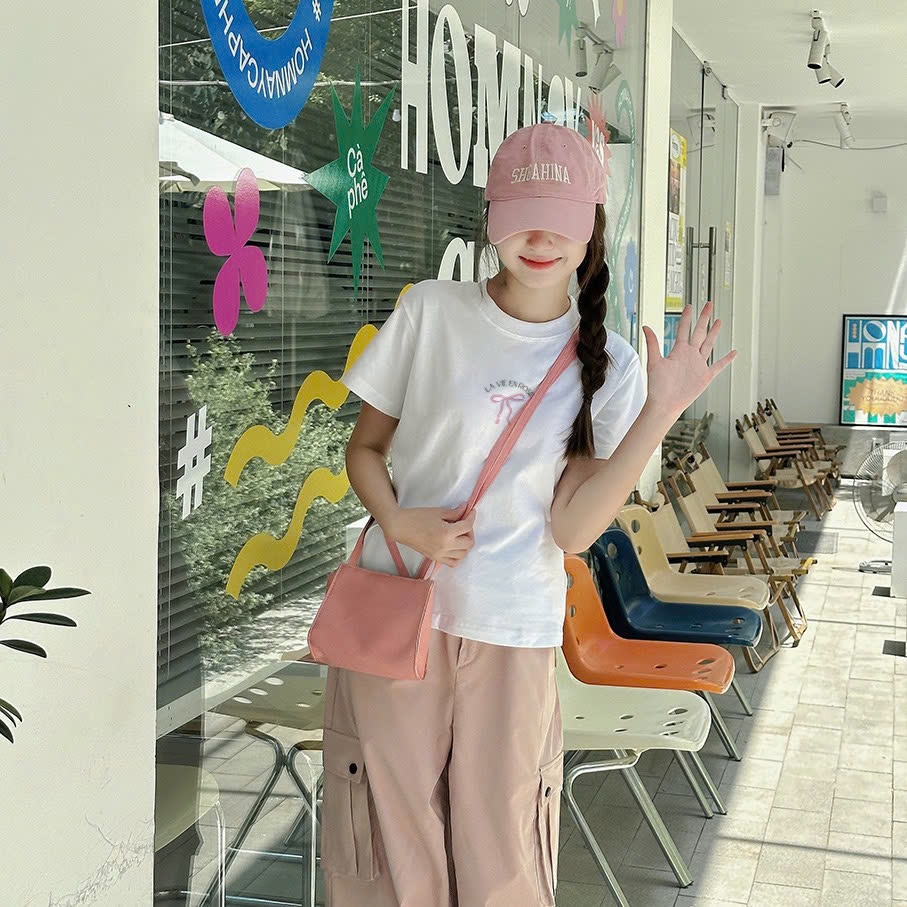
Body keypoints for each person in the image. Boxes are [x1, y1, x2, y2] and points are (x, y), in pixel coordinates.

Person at [320, 122, 735, 907]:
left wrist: (660, 410)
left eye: (559, 221)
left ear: (590, 229)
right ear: (490, 219)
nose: (538, 239)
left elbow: (571, 530)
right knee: (389, 844)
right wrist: (400, 521)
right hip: (398, 609)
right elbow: (364, 450)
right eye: (520, 218)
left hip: (512, 624)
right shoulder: (431, 312)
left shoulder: (609, 364)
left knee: (502, 857)